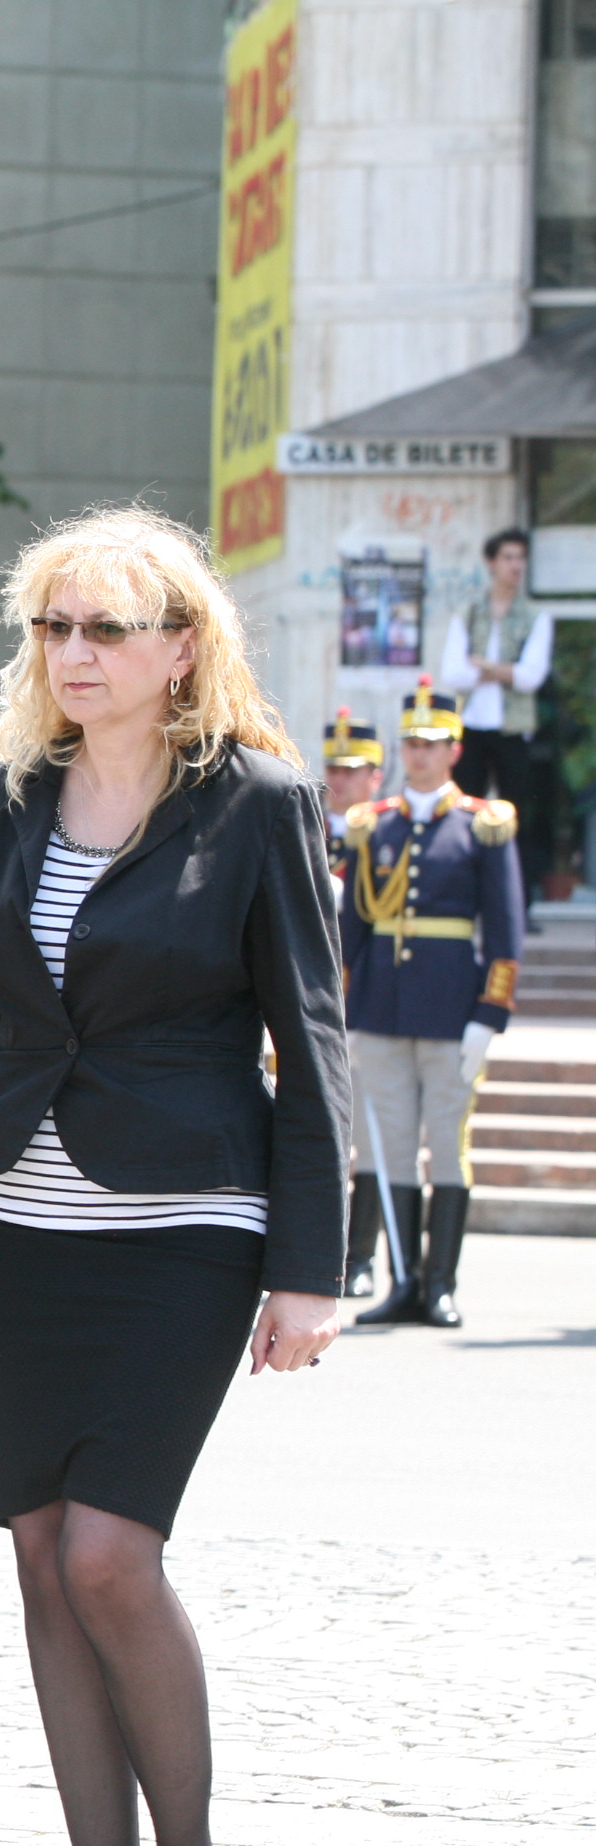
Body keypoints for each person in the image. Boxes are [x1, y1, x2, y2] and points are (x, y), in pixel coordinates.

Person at [0, 507, 345, 1846]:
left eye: (106, 628)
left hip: (185, 1222)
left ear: (182, 648)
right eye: (53, 628)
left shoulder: (257, 806)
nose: (74, 655)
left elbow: (312, 1037)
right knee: (38, 1558)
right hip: (22, 1226)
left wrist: (311, 1266)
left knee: (109, 1555)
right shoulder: (13, 797)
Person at [340, 685, 523, 1328]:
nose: (419, 755)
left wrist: (489, 1015)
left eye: (432, 745)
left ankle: (441, 1284)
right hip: (383, 1011)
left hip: (451, 1011)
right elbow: (354, 933)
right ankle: (404, 1281)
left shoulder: (483, 824)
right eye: (411, 745)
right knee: (389, 1147)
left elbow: (504, 931)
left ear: (454, 751)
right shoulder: (375, 825)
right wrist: (343, 1011)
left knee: (446, 1145)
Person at [435, 526, 553, 911]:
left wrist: (483, 665)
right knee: (463, 811)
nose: (516, 565)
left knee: (515, 814)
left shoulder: (535, 616)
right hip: (469, 725)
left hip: (513, 728)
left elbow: (531, 676)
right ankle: (463, 896)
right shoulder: (469, 613)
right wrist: (506, 670)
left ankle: (518, 904)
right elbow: (453, 673)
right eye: (508, 557)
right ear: (492, 563)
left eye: (521, 558)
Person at [319, 712, 389, 1296]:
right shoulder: (301, 821)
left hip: (359, 1000)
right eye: (333, 768)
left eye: (352, 769)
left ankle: (359, 1256)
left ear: (375, 775)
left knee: (367, 1136)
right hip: (307, 1001)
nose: (339, 779)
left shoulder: (384, 832)